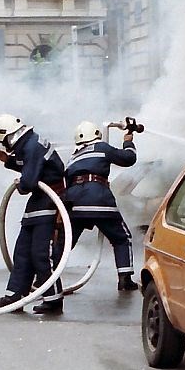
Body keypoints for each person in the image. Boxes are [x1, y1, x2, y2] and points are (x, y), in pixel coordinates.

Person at [0, 114, 68, 313]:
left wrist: (22, 184)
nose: (6, 146)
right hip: (40, 200)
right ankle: (15, 295)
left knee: (41, 253)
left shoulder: (32, 146)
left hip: (50, 200)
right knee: (22, 250)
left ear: (8, 135)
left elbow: (29, 181)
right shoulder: (29, 144)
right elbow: (31, 168)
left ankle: (53, 299)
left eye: (4, 142)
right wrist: (9, 162)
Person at [55, 121, 139, 292]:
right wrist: (128, 141)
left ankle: (46, 278)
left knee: (64, 244)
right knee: (121, 238)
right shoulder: (101, 147)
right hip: (99, 200)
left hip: (75, 203)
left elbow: (67, 183)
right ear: (95, 134)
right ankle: (125, 279)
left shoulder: (73, 157)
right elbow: (129, 158)